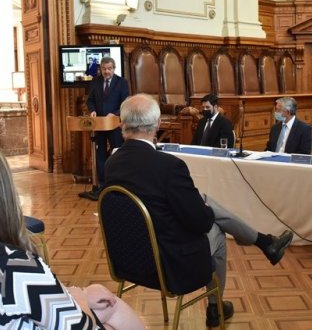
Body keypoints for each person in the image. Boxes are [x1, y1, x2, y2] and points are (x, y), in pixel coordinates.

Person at [0, 135, 144, 329]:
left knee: (99, 299)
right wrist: (81, 299)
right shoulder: (13, 266)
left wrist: (75, 296)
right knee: (108, 304)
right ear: (1, 194)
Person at [105, 94, 294, 327]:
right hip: (168, 266)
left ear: (122, 124)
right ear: (157, 125)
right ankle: (216, 307)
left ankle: (265, 243)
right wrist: (201, 211)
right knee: (216, 230)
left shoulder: (111, 163)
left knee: (203, 202)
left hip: (126, 259)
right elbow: (201, 223)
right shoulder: (169, 166)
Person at [80, 56, 129, 201]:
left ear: (114, 69)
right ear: (100, 69)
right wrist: (92, 111)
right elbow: (90, 101)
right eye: (104, 69)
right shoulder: (95, 81)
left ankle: (118, 183)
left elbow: (125, 102)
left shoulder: (122, 82)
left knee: (116, 152)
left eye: (109, 69)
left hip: (114, 124)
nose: (106, 71)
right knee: (99, 154)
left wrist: (114, 114)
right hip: (99, 124)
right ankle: (102, 184)